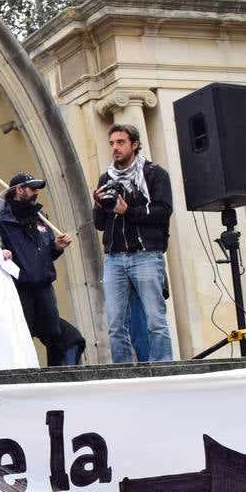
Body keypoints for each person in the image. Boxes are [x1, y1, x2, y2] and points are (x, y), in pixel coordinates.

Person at [92, 123, 174, 363]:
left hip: (146, 254)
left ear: (135, 144)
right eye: (112, 143)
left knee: (155, 320)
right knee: (116, 324)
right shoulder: (105, 178)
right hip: (114, 257)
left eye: (120, 142)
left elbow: (163, 211)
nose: (115, 148)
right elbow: (99, 224)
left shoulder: (154, 174)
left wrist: (128, 210)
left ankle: (163, 369)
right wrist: (99, 205)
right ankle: (124, 374)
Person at [0, 173, 73, 365]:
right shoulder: (1, 221)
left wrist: (58, 247)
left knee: (54, 335)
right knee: (23, 336)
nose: (36, 193)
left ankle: (57, 378)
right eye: (32, 188)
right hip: (20, 289)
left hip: (44, 286)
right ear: (19, 190)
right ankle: (28, 376)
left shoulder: (40, 217)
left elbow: (47, 253)